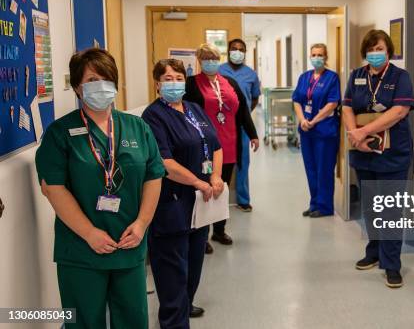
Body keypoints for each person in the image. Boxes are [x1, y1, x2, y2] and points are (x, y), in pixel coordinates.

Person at [35, 48, 166, 328]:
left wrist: (142, 223)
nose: (101, 86)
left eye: (106, 79)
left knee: (133, 320)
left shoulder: (137, 127)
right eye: (92, 80)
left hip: (129, 244)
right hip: (81, 250)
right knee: (82, 322)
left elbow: (154, 176)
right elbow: (53, 188)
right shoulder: (60, 133)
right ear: (78, 87)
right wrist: (89, 233)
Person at [142, 59, 224, 328]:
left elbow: (215, 146)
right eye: (167, 78)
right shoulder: (153, 116)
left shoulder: (195, 109)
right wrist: (199, 183)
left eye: (178, 77)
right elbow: (164, 164)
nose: (174, 83)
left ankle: (185, 304)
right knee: (172, 274)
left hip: (201, 204)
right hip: (172, 204)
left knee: (193, 266)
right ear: (157, 84)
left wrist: (215, 176)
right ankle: (174, 319)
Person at [342, 30, 414, 288]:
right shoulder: (357, 75)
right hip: (363, 153)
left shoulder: (400, 77)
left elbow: (399, 111)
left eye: (380, 49)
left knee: (391, 210)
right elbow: (348, 106)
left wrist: (364, 131)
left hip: (393, 155)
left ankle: (392, 264)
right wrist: (354, 134)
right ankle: (373, 251)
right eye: (371, 49)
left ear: (389, 51)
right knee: (371, 207)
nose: (375, 54)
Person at [184, 43, 259, 252]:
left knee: (221, 190)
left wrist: (253, 134)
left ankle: (219, 230)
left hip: (228, 145)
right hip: (203, 147)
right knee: (204, 189)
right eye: (206, 58)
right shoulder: (191, 84)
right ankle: (201, 235)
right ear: (200, 61)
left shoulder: (230, 83)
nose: (211, 62)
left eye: (214, 58)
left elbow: (242, 110)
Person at [292, 43, 341, 218]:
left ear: (326, 57)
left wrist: (314, 120)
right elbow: (297, 100)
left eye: (320, 54)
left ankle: (325, 206)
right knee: (311, 169)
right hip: (306, 130)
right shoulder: (304, 77)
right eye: (314, 54)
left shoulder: (332, 78)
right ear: (309, 56)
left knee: (324, 169)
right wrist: (302, 120)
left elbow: (333, 103)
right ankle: (314, 204)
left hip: (324, 131)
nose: (317, 58)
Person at [219, 38, 261, 212]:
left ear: (245, 52)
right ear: (228, 51)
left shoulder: (251, 74)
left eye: (241, 49)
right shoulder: (219, 70)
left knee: (243, 162)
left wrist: (244, 116)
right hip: (221, 124)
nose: (237, 52)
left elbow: (255, 97)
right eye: (234, 49)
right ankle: (218, 201)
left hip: (242, 126)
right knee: (219, 163)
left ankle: (243, 199)